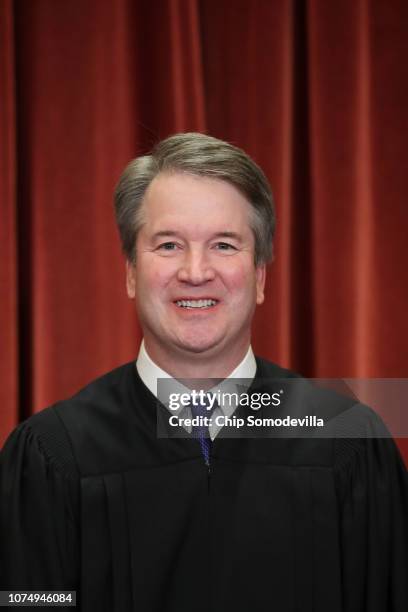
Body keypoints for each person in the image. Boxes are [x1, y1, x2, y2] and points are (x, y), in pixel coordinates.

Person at [1, 133, 407, 611]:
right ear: (131, 271)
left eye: (224, 245)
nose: (196, 272)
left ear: (259, 277)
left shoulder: (348, 442)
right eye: (169, 244)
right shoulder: (54, 456)